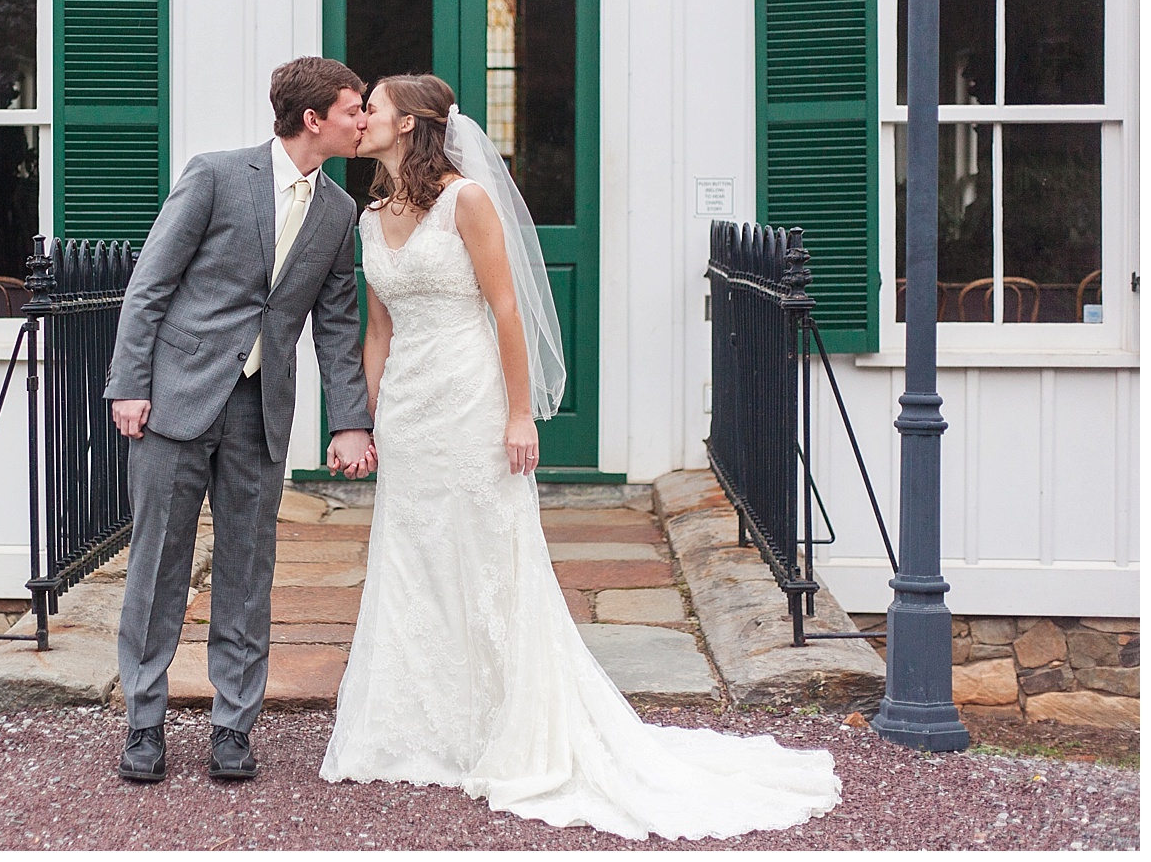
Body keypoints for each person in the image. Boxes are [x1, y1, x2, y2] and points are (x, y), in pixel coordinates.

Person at [321, 74, 842, 840]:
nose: (359, 115)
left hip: (470, 396)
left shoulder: (466, 200)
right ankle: (422, 725)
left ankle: (510, 724)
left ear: (410, 123)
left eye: (373, 105)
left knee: (489, 552)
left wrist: (518, 411)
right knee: (413, 555)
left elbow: (504, 306)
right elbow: (377, 329)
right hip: (408, 409)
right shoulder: (369, 215)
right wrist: (363, 421)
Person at [106, 56, 377, 784]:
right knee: (157, 562)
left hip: (261, 412)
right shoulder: (217, 174)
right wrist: (129, 385)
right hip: (174, 399)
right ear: (313, 118)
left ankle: (233, 723)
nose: (364, 120)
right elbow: (150, 284)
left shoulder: (338, 211)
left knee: (248, 568)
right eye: (354, 109)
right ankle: (143, 720)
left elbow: (335, 323)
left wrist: (349, 420)